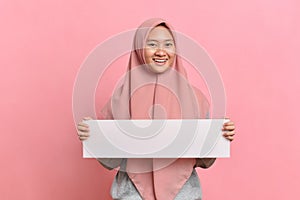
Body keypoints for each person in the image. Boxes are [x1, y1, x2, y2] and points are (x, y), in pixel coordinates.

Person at [77, 18, 235, 200]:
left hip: (183, 194)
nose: (161, 51)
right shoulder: (120, 99)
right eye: (152, 44)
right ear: (138, 49)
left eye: (168, 44)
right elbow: (111, 160)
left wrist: (220, 136)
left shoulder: (196, 99)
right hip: (131, 193)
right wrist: (93, 137)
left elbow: (203, 160)